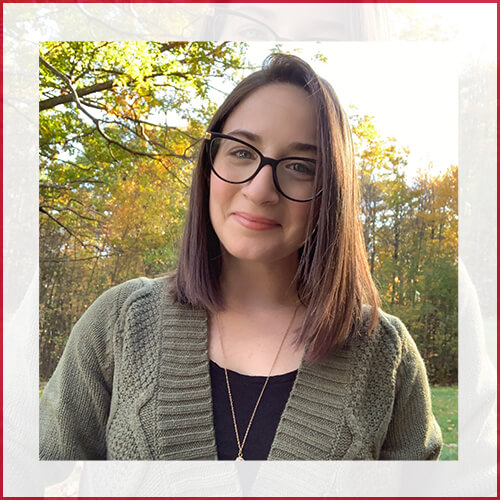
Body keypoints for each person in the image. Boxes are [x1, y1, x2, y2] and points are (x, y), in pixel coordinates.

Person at [39, 53, 442, 461]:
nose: (260, 189)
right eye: (243, 153)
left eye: (301, 166)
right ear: (209, 164)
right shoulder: (118, 324)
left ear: (331, 195)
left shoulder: (386, 357)